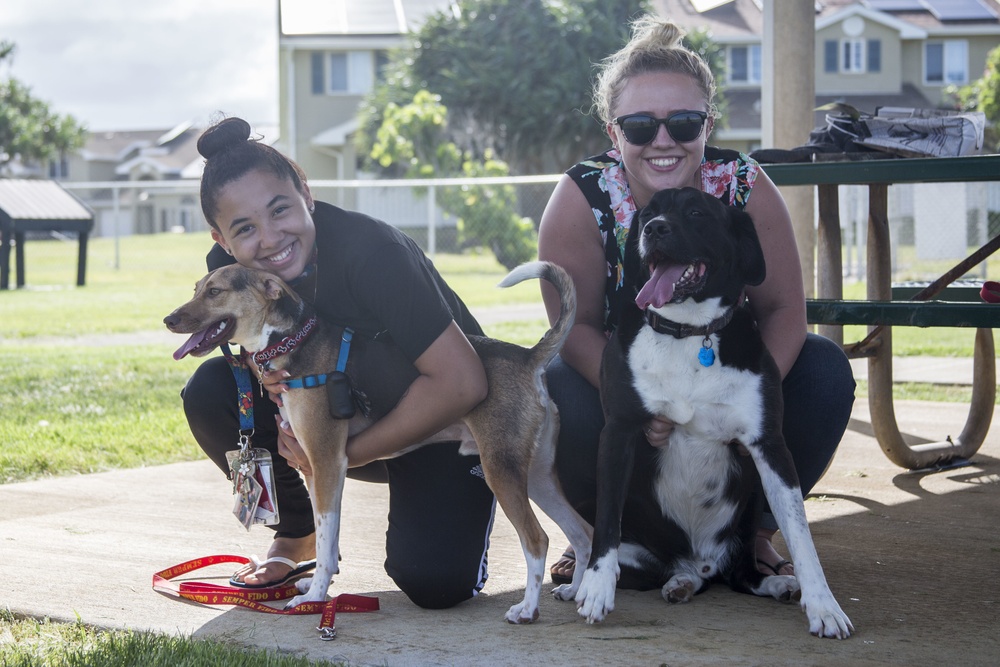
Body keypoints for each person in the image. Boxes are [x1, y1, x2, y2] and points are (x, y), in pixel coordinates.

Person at [537, 16, 856, 585]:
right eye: (640, 126)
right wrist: (643, 403)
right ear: (614, 134)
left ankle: (751, 535)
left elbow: (784, 311)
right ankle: (599, 539)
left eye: (683, 123)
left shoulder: (742, 185)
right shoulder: (581, 197)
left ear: (707, 124)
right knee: (556, 385)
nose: (663, 141)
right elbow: (574, 326)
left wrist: (736, 408)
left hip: (727, 373)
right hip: (633, 382)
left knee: (824, 368)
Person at [179, 116, 496, 610]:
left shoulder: (373, 252)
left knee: (436, 581)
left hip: (445, 424)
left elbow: (463, 382)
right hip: (345, 416)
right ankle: (297, 533)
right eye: (244, 229)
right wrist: (272, 386)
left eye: (279, 209)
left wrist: (347, 452)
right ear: (221, 240)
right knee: (212, 390)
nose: (269, 239)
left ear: (305, 192)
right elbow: (266, 352)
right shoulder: (231, 277)